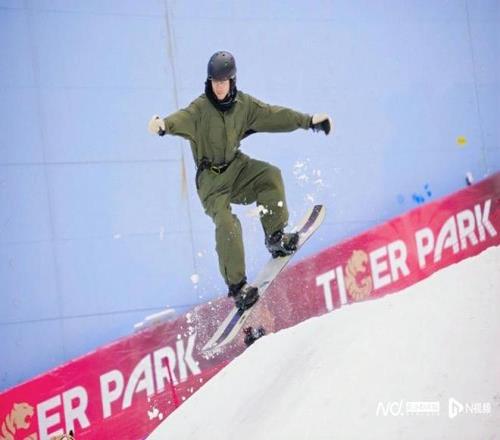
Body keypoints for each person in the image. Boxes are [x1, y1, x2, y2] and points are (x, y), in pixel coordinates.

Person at [149, 50, 332, 310]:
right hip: (211, 182)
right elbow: (180, 119)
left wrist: (309, 121)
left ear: (232, 81)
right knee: (227, 223)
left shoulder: (243, 105)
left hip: (236, 168)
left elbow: (274, 115)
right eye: (215, 81)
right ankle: (238, 288)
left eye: (223, 81)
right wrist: (163, 126)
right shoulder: (200, 109)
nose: (219, 87)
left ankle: (275, 237)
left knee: (270, 176)